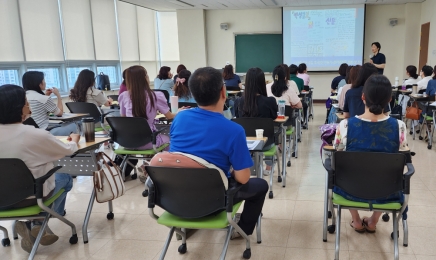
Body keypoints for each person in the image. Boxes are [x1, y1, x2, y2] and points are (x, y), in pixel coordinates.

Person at [169, 67, 268, 239]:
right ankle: (242, 229)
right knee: (260, 185)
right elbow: (243, 178)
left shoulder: (179, 118)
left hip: (178, 196)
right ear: (223, 91)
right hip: (215, 199)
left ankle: (185, 225)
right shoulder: (234, 130)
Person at [0, 84, 79, 253]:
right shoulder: (33, 134)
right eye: (26, 102)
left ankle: (32, 225)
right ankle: (38, 222)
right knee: (64, 178)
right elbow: (67, 150)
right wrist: (74, 140)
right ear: (19, 107)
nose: (28, 105)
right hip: (27, 197)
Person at [333, 74, 407, 233]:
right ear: (389, 100)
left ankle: (356, 220)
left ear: (363, 97)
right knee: (388, 171)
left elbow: (337, 153)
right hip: (388, 193)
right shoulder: (399, 126)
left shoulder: (345, 125)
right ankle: (373, 221)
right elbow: (401, 155)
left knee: (343, 168)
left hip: (349, 191)